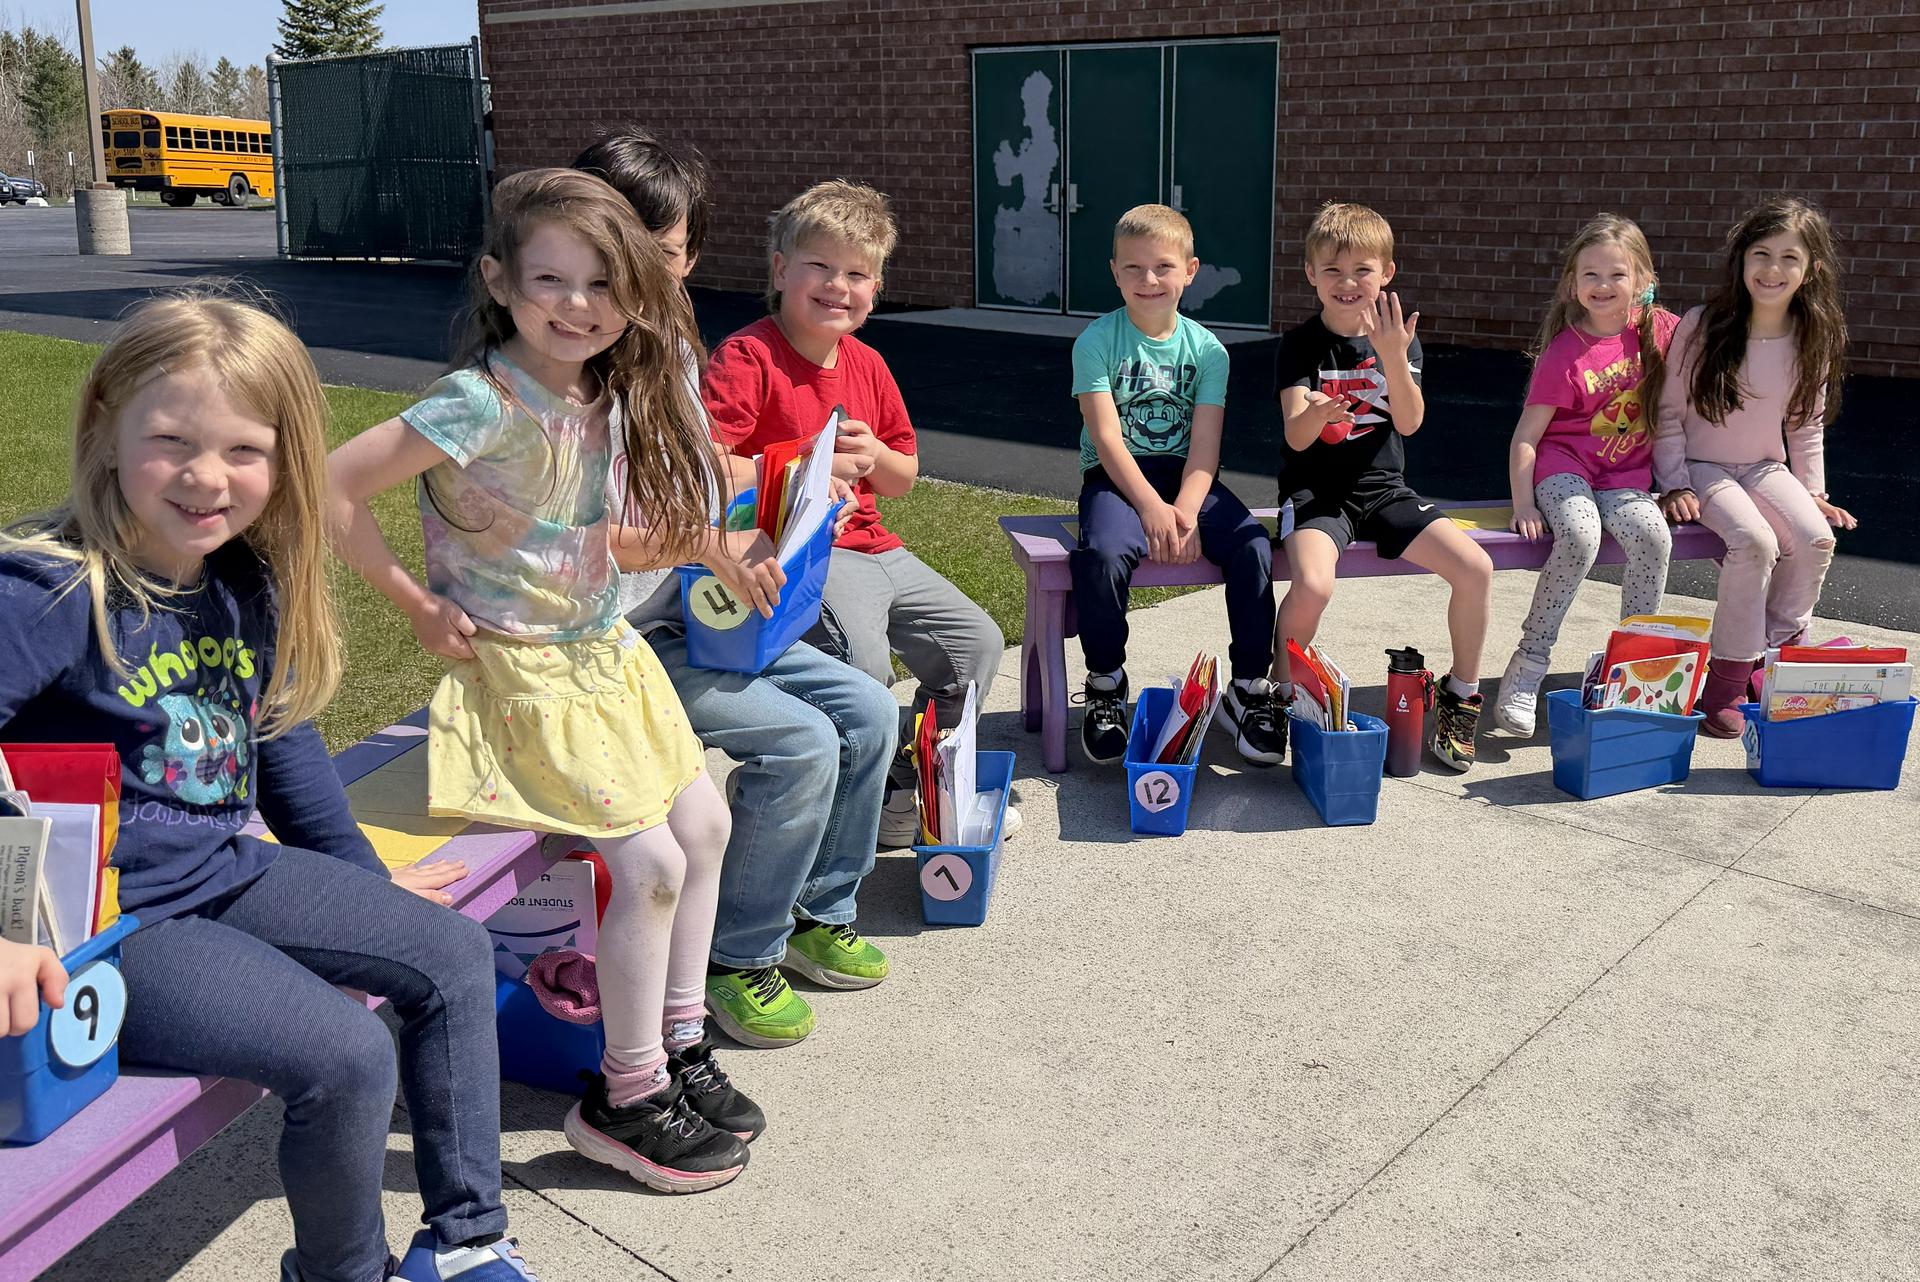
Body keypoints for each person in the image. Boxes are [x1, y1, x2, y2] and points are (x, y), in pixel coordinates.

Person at [0, 291, 539, 1282]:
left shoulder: (244, 578)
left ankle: (465, 1239)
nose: (208, 477)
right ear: (105, 426)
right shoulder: (50, 589)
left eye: (245, 450)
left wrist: (364, 885)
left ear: (285, 459)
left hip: (229, 873)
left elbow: (281, 739)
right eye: (171, 440)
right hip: (118, 931)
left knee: (458, 952)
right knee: (344, 1056)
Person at [327, 169, 757, 1193]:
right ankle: (627, 1091)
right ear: (497, 280)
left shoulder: (600, 390)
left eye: (602, 283)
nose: (578, 304)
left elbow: (586, 537)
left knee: (706, 824)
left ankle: (679, 1039)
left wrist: (708, 546)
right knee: (648, 860)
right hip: (516, 675)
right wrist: (417, 602)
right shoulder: (479, 401)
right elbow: (334, 483)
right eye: (551, 278)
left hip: (603, 660)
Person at [573, 129, 900, 1049]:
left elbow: (698, 466)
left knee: (871, 710)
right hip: (616, 644)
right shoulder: (561, 376)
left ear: (687, 260)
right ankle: (736, 958)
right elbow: (585, 539)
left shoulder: (671, 345)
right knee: (800, 744)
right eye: (620, 251)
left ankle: (814, 912)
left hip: (686, 613)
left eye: (665, 256)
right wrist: (712, 538)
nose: (641, 278)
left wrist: (789, 488)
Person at [700, 178, 1019, 842]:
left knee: (976, 643)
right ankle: (842, 797)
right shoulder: (748, 356)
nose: (838, 286)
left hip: (877, 549)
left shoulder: (868, 364)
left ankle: (915, 780)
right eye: (820, 265)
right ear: (781, 268)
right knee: (865, 666)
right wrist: (797, 474)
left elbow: (903, 477)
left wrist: (873, 454)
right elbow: (703, 464)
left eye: (857, 273)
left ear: (875, 290)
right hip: (805, 555)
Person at [1270, 202, 1494, 771]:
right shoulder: (1299, 346)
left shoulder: (1399, 340)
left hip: (1384, 490)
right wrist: (1321, 413)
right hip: (1316, 494)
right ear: (1310, 274)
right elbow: (1297, 439)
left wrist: (1394, 358)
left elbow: (1411, 421)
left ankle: (1461, 694)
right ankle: (1278, 693)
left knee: (1475, 568)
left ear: (1387, 274)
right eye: (1333, 270)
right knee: (1315, 586)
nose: (1347, 283)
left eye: (1362, 270)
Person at [1068, 203, 1280, 766]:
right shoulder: (1095, 342)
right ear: (1114, 272)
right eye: (1133, 268)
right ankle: (1106, 684)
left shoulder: (1207, 350)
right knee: (1103, 551)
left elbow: (1206, 444)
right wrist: (1150, 508)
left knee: (1255, 545)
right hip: (1118, 477)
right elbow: (1107, 439)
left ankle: (1249, 689)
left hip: (1190, 476)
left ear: (1190, 270)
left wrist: (1183, 510)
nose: (1148, 280)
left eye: (1163, 266)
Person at [1653, 196, 1855, 737]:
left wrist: (1813, 491)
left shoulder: (1817, 333)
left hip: (1766, 469)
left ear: (1811, 268)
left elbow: (1805, 425)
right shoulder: (1704, 325)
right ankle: (1728, 679)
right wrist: (1671, 484)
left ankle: (1775, 664)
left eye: (1790, 257)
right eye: (1761, 254)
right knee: (1755, 543)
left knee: (1814, 539)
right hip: (1701, 468)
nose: (1773, 269)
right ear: (1741, 261)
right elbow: (1668, 414)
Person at [1493, 214, 1680, 736]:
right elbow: (1527, 437)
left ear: (1643, 280)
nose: (1603, 286)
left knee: (1653, 539)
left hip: (1626, 477)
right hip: (1563, 470)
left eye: (1617, 274)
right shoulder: (1564, 352)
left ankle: (1634, 668)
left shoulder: (1660, 333)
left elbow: (1718, 346)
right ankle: (1528, 666)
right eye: (1590, 275)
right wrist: (1524, 503)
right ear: (1573, 284)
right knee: (1579, 535)